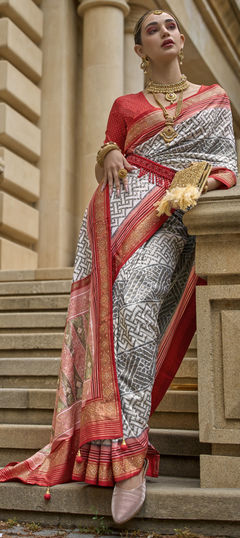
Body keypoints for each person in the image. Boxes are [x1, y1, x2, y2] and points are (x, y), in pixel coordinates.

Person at [0, 8, 237, 526]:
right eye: (153, 29)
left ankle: (127, 448)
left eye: (171, 25)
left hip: (178, 218)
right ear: (139, 51)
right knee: (126, 311)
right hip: (122, 217)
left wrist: (193, 186)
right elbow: (109, 152)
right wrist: (107, 153)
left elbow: (228, 164)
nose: (167, 32)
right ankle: (129, 457)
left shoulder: (215, 99)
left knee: (135, 304)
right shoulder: (125, 104)